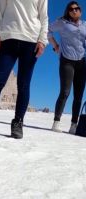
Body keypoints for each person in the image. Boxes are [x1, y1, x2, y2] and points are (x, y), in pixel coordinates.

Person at [0, 0, 48, 139]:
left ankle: (18, 123)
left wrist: (42, 40)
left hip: (30, 41)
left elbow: (44, 17)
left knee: (24, 85)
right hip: (8, 38)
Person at [48, 1, 86, 134]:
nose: (74, 10)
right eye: (71, 9)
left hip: (82, 63)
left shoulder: (84, 24)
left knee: (78, 96)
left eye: (77, 8)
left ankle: (73, 125)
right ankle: (56, 122)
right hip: (67, 62)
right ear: (68, 11)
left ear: (80, 11)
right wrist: (55, 46)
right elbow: (48, 31)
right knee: (65, 92)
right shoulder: (62, 23)